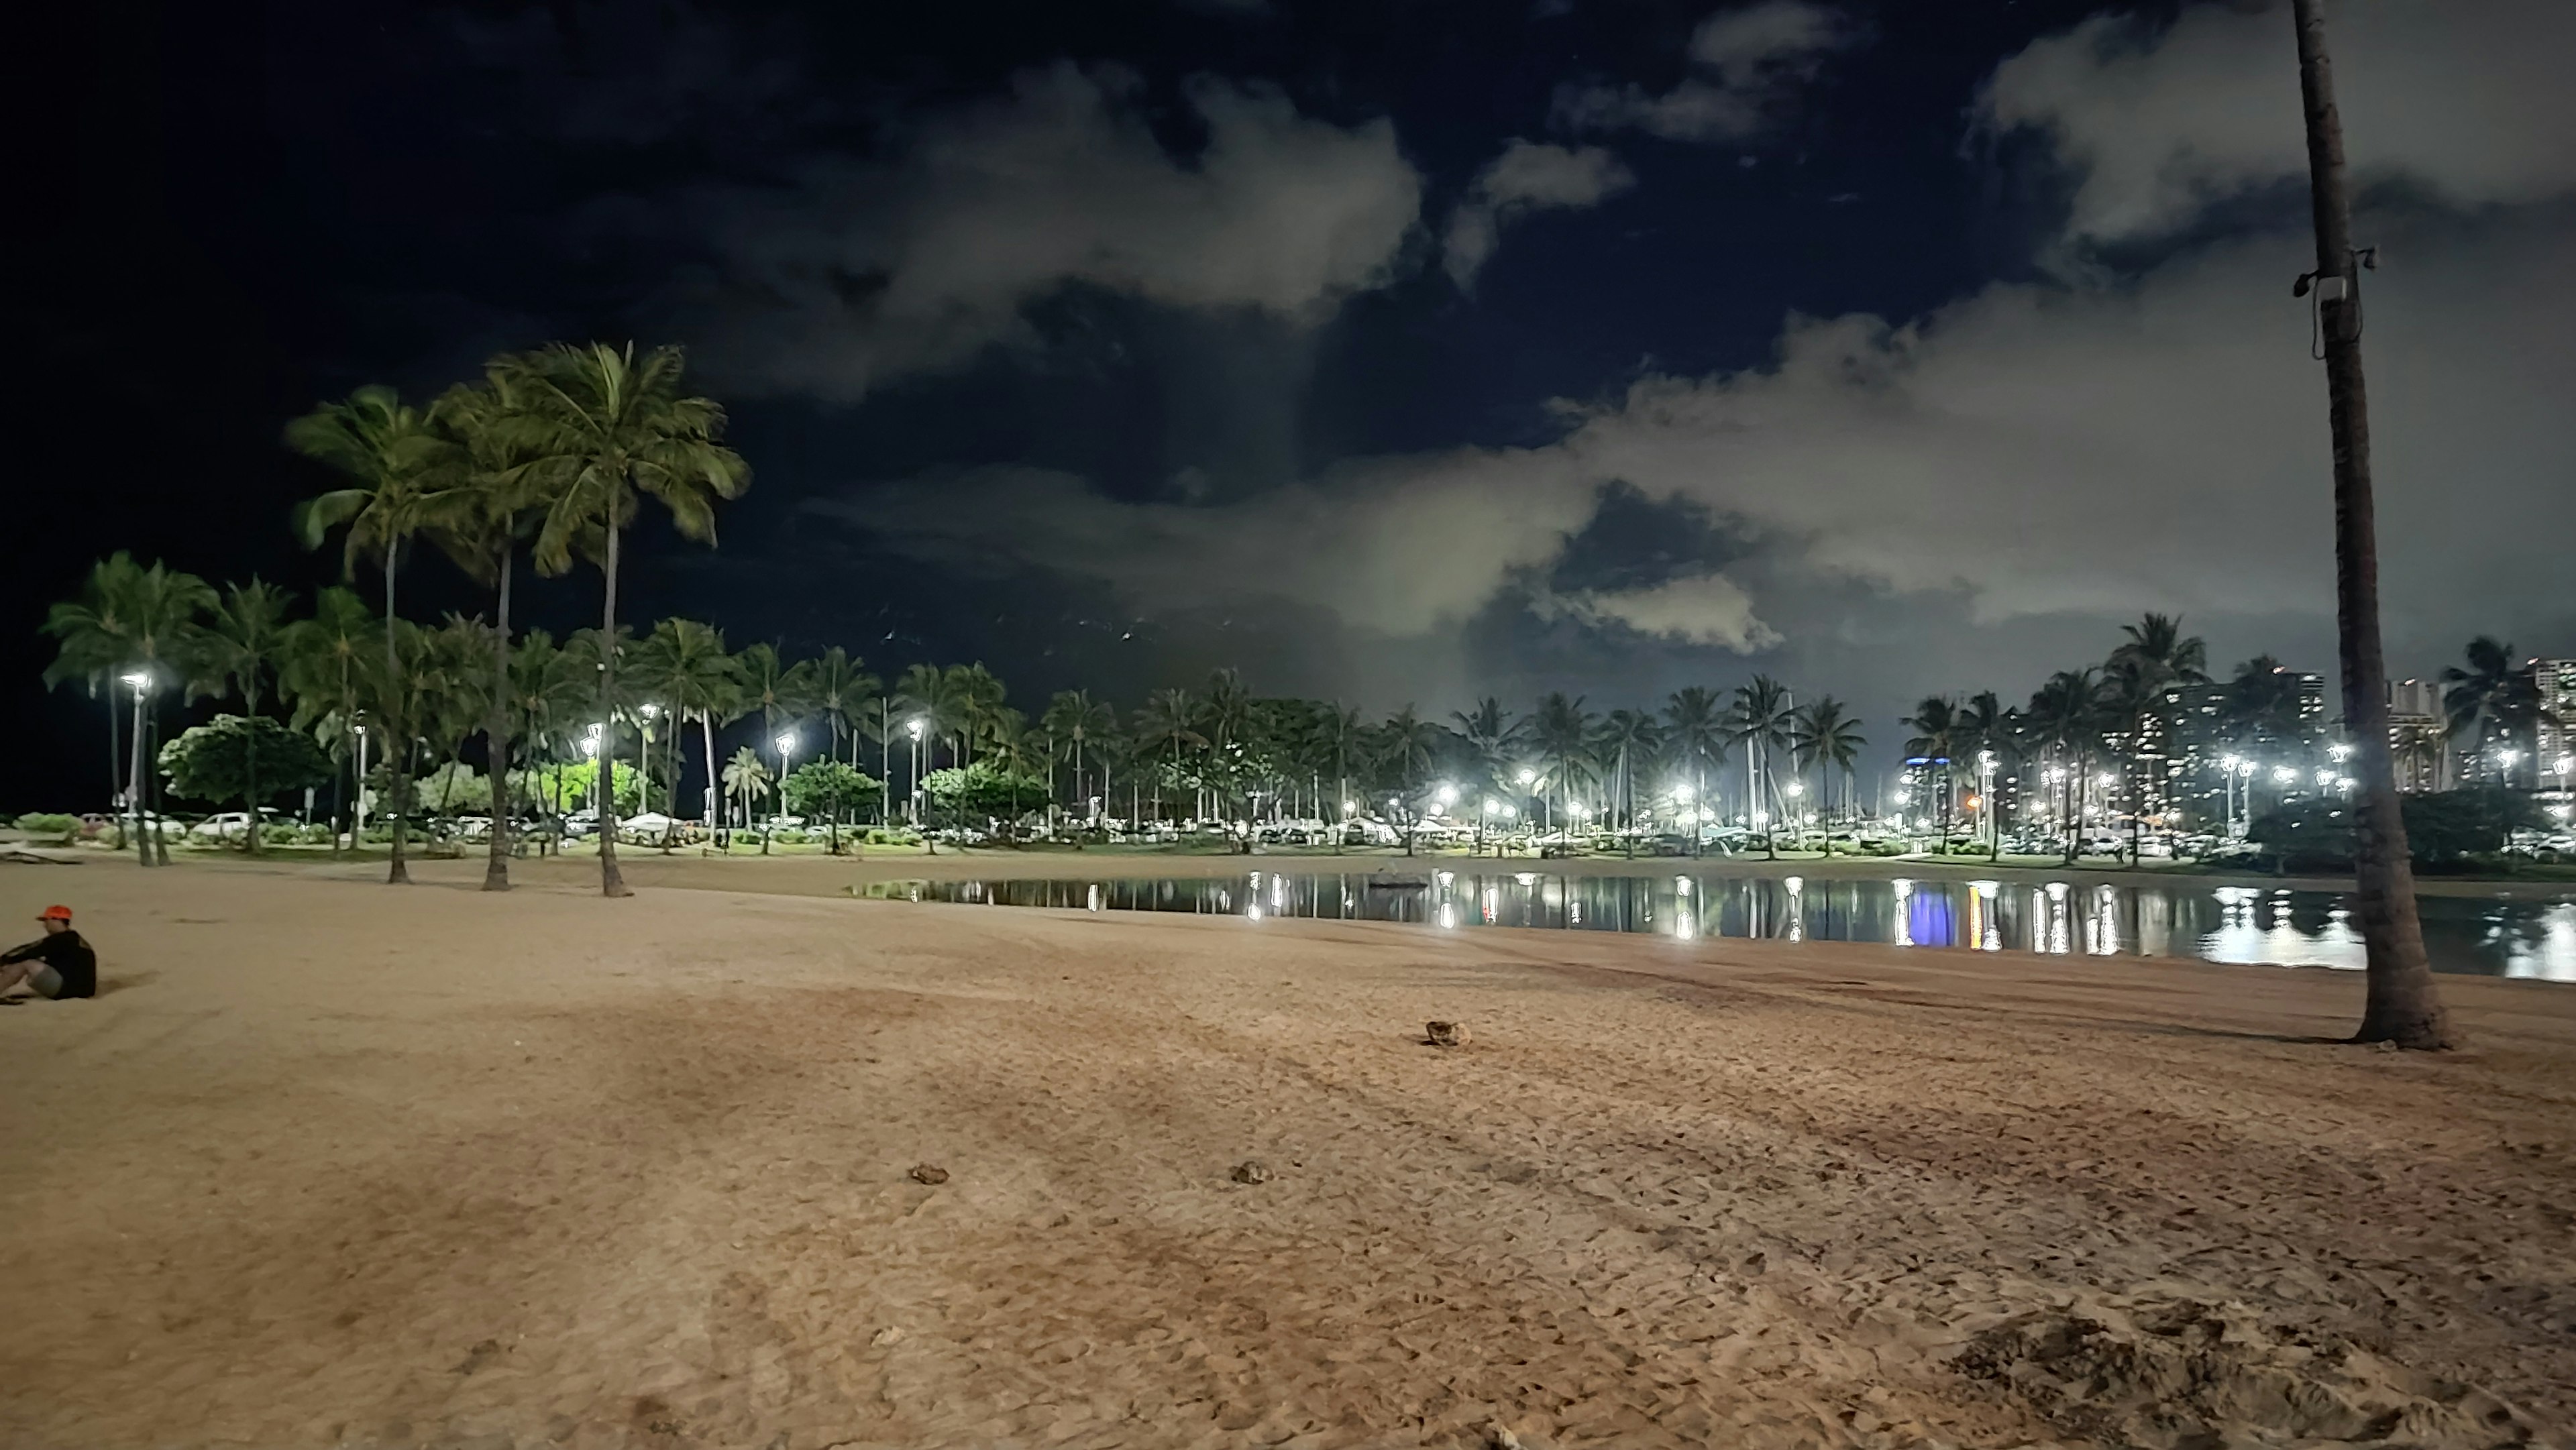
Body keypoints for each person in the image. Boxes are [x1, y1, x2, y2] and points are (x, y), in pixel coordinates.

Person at [1, 905, 97, 1001]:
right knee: (30, 961)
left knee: (27, 963)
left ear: (56, 920)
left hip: (68, 990)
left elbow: (28, 950)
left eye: (47, 921)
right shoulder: (73, 939)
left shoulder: (60, 939)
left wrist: (4, 960)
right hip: (83, 991)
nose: (45, 925)